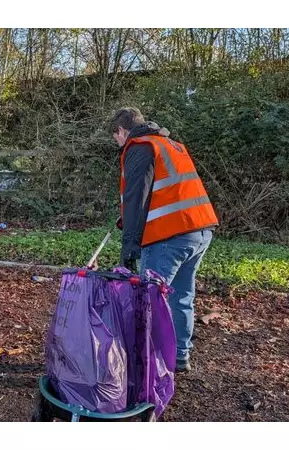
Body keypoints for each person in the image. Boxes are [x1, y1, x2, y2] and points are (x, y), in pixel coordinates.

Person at [108, 107, 219, 373]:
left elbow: (137, 197)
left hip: (169, 236)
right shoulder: (170, 144)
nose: (117, 142)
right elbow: (165, 192)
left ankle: (141, 361)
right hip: (200, 230)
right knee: (182, 295)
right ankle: (180, 356)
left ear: (122, 131)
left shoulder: (139, 146)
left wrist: (129, 247)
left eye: (116, 137)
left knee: (147, 299)